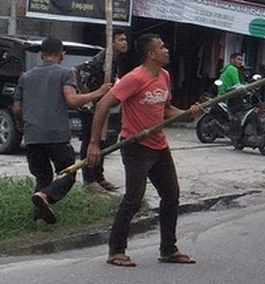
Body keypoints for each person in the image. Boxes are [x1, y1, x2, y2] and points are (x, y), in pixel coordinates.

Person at [86, 34, 203, 267]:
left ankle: (169, 249)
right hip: (135, 146)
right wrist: (94, 143)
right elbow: (102, 105)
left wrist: (188, 113)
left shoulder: (165, 76)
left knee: (171, 195)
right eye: (162, 47)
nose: (167, 50)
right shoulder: (134, 78)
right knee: (133, 199)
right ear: (151, 54)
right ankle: (116, 250)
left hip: (159, 145)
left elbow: (166, 111)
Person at [14, 37, 111, 224]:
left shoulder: (25, 77)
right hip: (56, 135)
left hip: (33, 135)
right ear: (62, 55)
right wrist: (99, 92)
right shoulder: (66, 73)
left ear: (41, 55)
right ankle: (45, 196)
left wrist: (29, 120)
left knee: (43, 176)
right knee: (67, 173)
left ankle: (39, 219)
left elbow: (17, 109)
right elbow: (72, 100)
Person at [74, 29, 129, 193]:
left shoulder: (114, 61)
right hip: (90, 107)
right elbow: (76, 70)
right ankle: (89, 179)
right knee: (90, 140)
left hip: (102, 106)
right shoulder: (102, 58)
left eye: (125, 40)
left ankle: (99, 176)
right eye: (120, 40)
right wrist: (87, 93)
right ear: (111, 42)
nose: (124, 43)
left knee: (102, 140)